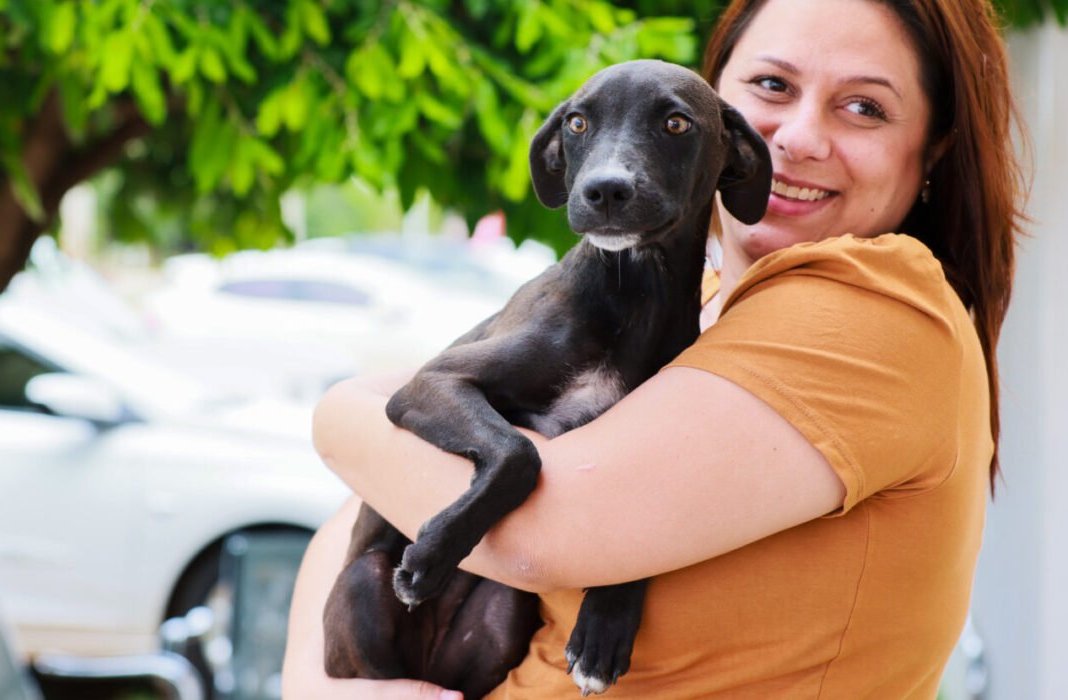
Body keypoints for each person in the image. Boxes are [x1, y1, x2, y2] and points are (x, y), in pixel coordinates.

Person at [281, 0, 1024, 697]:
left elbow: (545, 531)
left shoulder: (873, 309)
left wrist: (342, 412)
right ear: (724, 105)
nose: (798, 137)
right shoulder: (686, 313)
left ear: (931, 150)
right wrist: (319, 684)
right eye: (772, 85)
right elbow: (367, 502)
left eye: (864, 106)